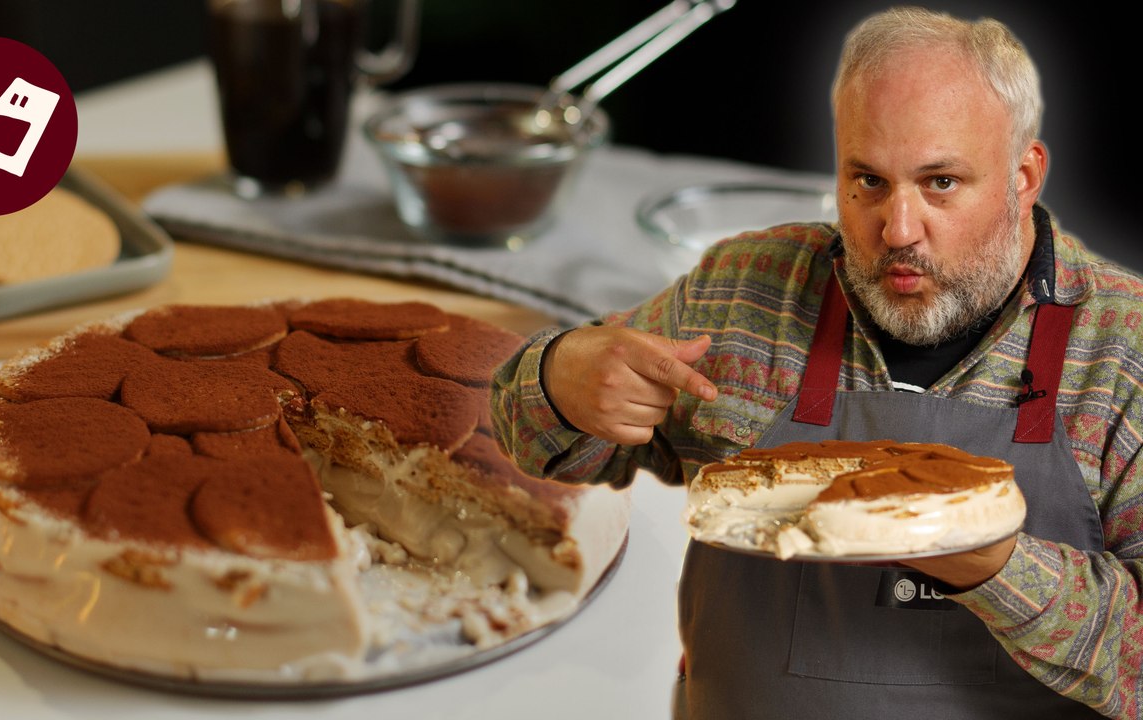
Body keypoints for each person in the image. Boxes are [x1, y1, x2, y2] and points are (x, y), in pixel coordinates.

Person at [489, 5, 1143, 718]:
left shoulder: (1123, 354)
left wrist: (995, 566)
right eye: (867, 180)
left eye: (941, 183)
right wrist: (559, 379)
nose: (897, 230)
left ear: (1024, 175)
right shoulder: (742, 293)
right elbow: (543, 447)